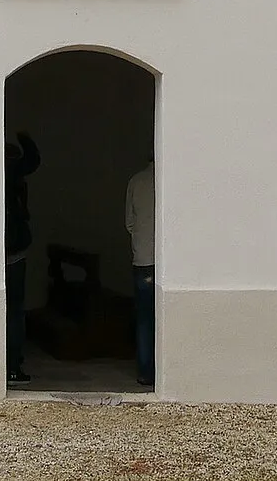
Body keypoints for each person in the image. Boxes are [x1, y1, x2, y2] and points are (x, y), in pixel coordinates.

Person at [5, 132, 41, 385]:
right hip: (15, 251)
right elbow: (33, 160)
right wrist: (25, 138)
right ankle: (13, 365)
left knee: (10, 310)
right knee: (15, 311)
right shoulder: (16, 172)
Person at [124, 159, 157, 387]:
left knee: (145, 318)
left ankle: (146, 372)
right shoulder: (169, 179)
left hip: (143, 259)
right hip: (168, 261)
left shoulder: (136, 181)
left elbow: (129, 223)